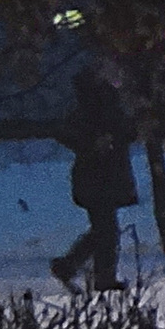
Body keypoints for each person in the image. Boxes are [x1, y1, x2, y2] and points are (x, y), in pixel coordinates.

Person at [51, 65, 136, 291]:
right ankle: (94, 274)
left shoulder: (95, 108)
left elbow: (124, 132)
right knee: (106, 230)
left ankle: (74, 267)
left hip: (98, 176)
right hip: (99, 177)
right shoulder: (97, 109)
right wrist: (94, 145)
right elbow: (124, 132)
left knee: (104, 229)